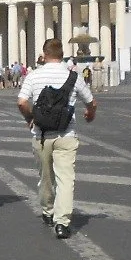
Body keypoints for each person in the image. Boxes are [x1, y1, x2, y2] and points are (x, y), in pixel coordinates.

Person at [17, 37, 96, 239]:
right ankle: (62, 223)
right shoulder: (73, 77)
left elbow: (21, 102)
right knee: (65, 180)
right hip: (66, 134)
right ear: (62, 55)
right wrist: (90, 114)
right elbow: (91, 102)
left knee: (45, 178)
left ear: (44, 55)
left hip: (41, 135)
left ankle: (48, 211)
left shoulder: (34, 76)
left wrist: (30, 117)